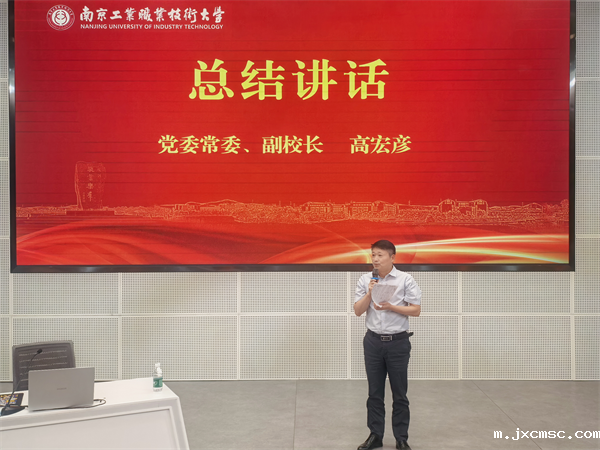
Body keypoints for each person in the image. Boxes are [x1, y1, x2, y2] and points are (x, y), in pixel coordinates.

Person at [354, 240, 422, 450]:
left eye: (380, 255)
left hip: (397, 342)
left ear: (392, 257)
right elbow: (358, 311)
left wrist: (391, 307)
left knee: (399, 393)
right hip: (373, 342)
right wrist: (369, 293)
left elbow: (416, 310)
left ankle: (401, 438)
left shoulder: (405, 279)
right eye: (373, 254)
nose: (375, 259)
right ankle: (375, 435)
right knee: (374, 393)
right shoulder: (365, 279)